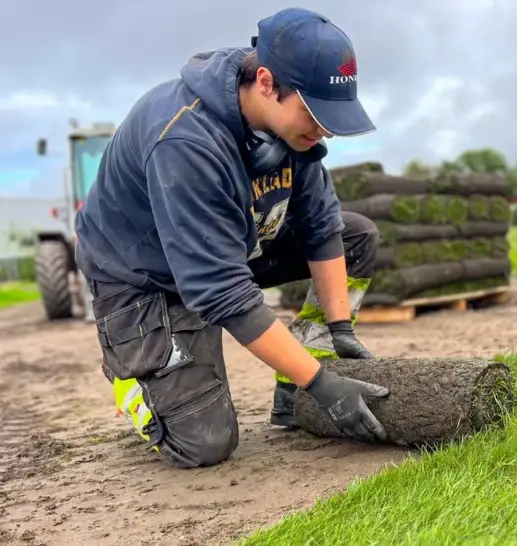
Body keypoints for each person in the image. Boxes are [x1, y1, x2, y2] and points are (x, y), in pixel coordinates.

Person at [73, 7, 391, 469]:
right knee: (205, 445)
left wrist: (338, 330)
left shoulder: (294, 135)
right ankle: (134, 380)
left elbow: (322, 228)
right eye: (314, 113)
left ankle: (295, 389)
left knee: (355, 235)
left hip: (225, 256)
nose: (324, 129)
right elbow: (221, 290)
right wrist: (324, 386)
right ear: (266, 82)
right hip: (145, 281)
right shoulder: (186, 140)